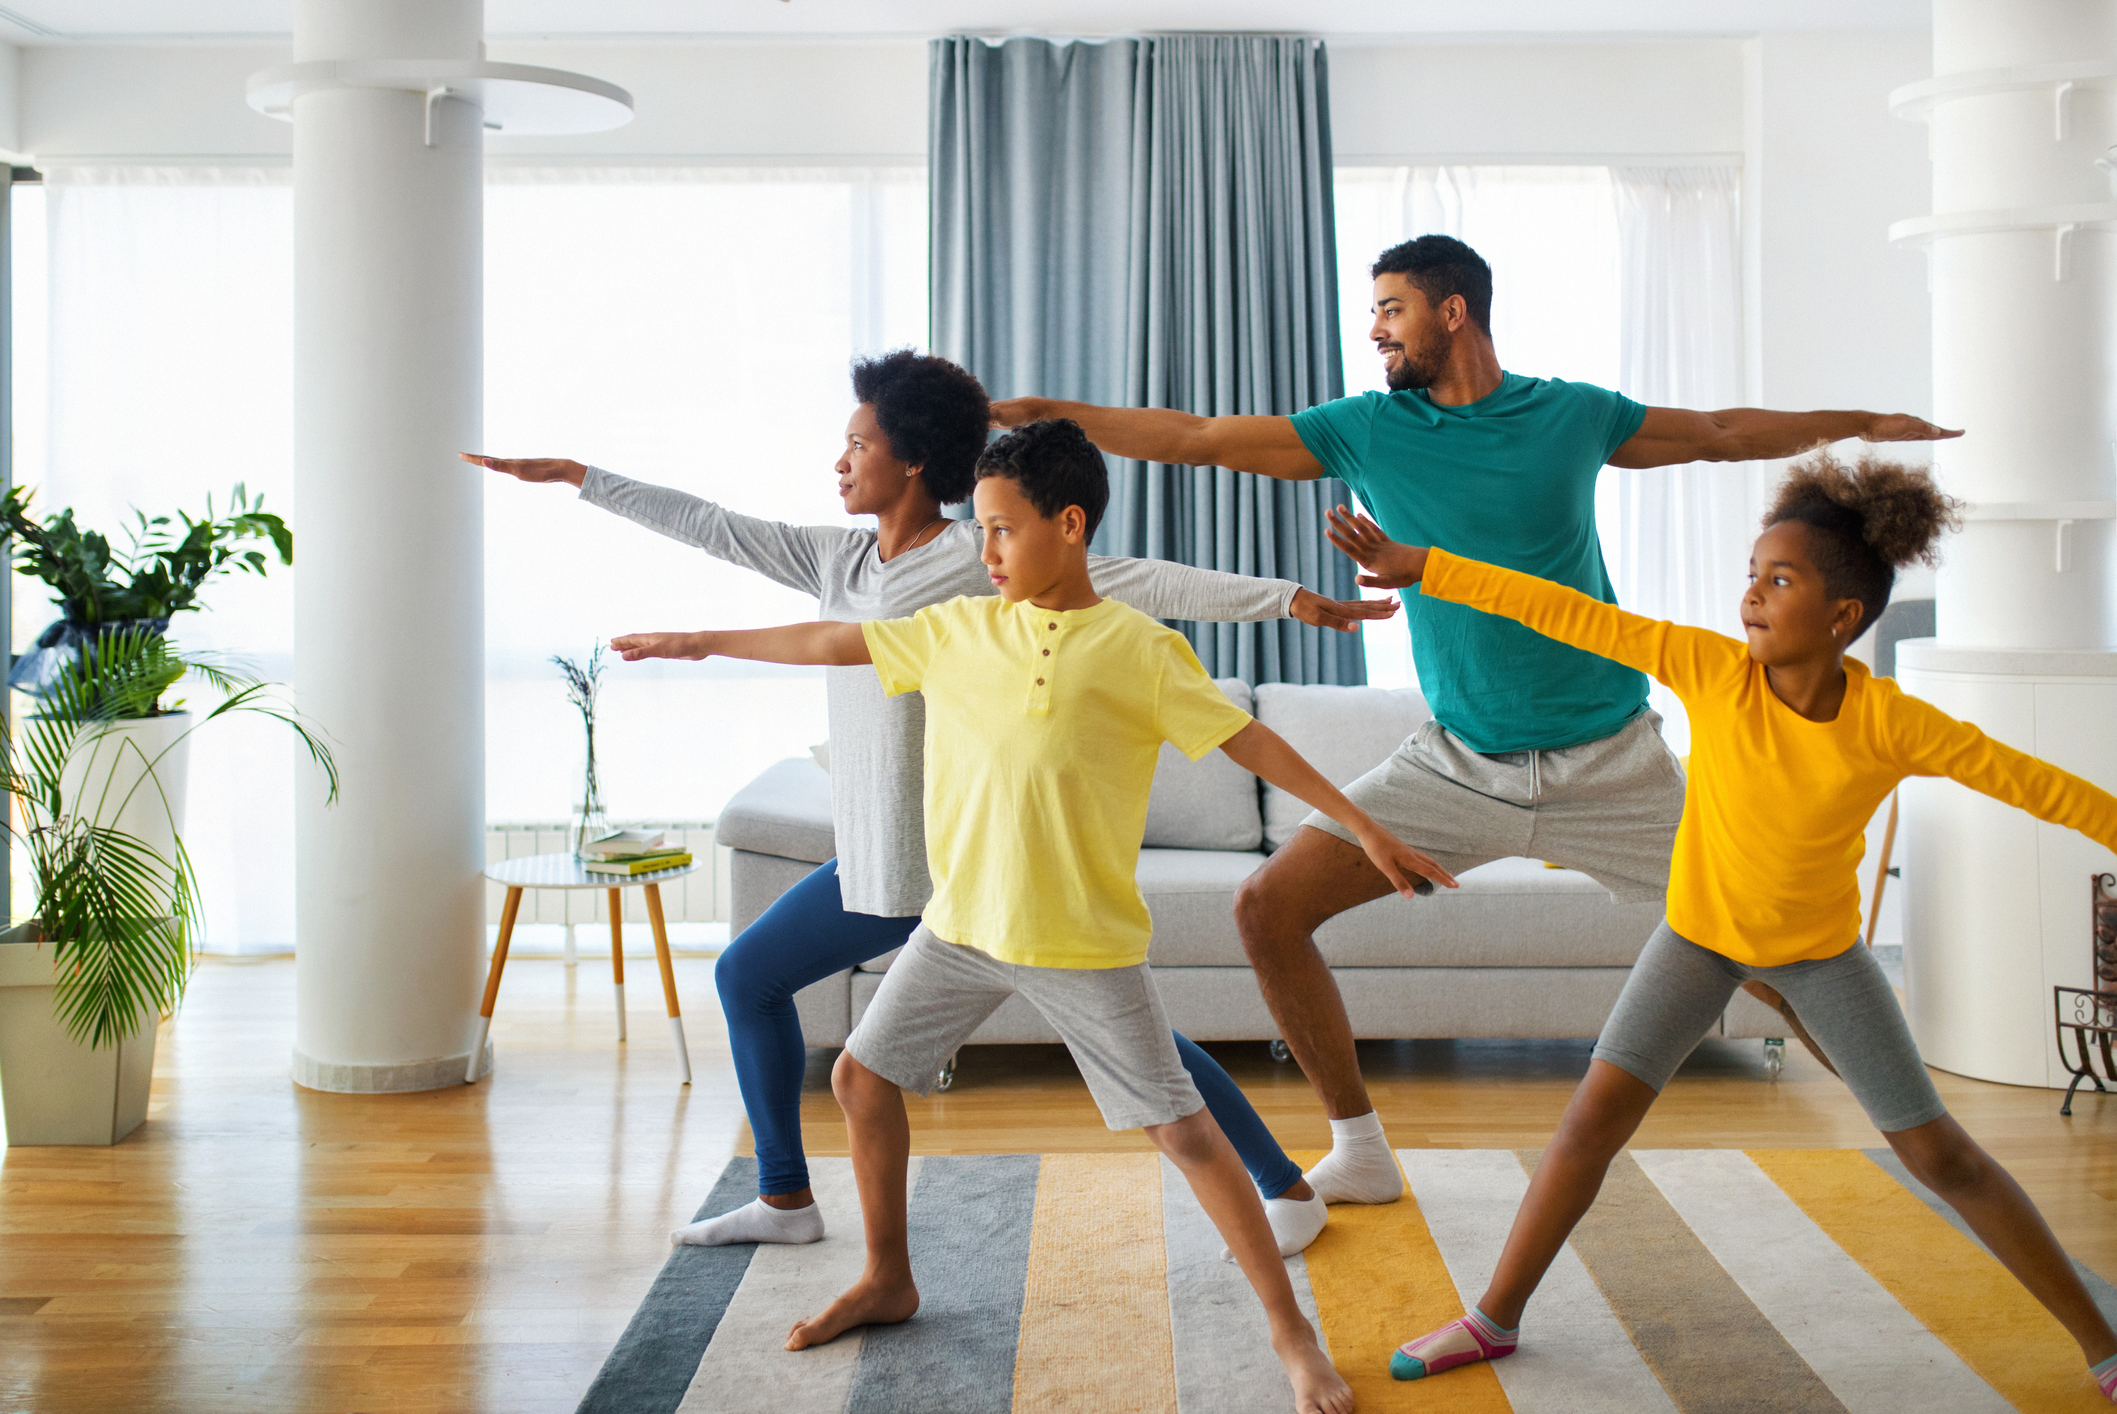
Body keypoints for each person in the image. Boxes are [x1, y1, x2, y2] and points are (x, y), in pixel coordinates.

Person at [989, 234, 1964, 1209]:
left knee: (1776, 960)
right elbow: (1199, 437)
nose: (1374, 330)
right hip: (1456, 764)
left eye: (1391, 308)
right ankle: (1359, 1146)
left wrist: (1864, 422)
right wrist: (1051, 416)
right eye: (1372, 312)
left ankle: (1931, 1151)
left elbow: (1716, 428)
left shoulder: (1569, 415)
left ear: (1453, 310)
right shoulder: (1366, 427)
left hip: (1615, 765)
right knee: (1267, 908)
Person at [463, 350, 1396, 1256]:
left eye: (858, 444)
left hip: (940, 859)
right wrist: (582, 477)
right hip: (874, 850)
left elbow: (1134, 577)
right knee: (1112, 1028)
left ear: (912, 459)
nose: (839, 461)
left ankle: (791, 1194)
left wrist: (1284, 600)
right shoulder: (834, 559)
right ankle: (1274, 1182)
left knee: (760, 979)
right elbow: (708, 522)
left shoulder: (975, 555)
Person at [613, 419, 1461, 1414]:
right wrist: (701, 640)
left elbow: (1253, 748)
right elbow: (829, 636)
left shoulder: (1139, 650)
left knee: (1184, 1136)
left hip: (1079, 944)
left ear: (1069, 524)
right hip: (962, 924)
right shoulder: (960, 629)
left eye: (1005, 531)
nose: (986, 552)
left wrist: (1362, 827)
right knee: (860, 1076)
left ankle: (1290, 1330)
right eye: (979, 530)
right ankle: (890, 1274)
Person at [1321, 451, 2117, 1401]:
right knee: (1588, 1124)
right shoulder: (1712, 672)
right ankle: (1492, 1318)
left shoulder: (1892, 723)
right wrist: (1432, 568)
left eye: (1778, 579)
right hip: (1695, 939)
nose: (1750, 595)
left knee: (1937, 1152)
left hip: (1818, 961)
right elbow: (1569, 612)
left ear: (1841, 617)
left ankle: (2103, 1348)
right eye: (1749, 573)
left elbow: (2032, 782)